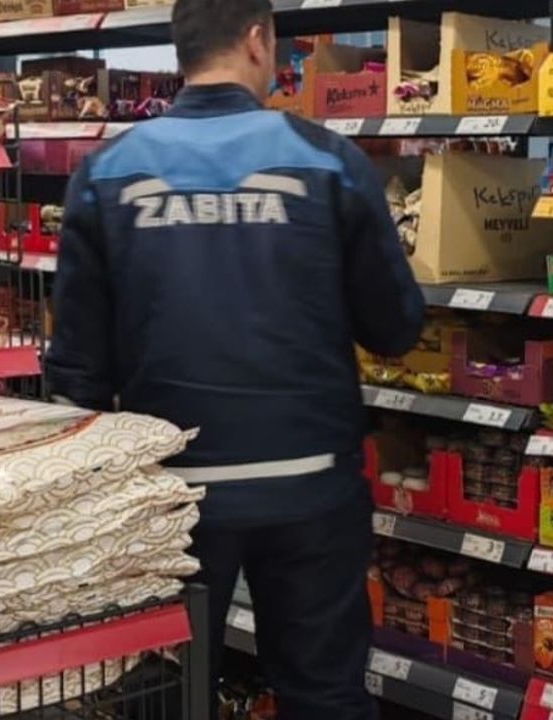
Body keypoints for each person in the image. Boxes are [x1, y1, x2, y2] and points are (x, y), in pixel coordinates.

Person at [44, 0, 426, 717]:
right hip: (311, 485)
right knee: (324, 695)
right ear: (258, 40)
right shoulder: (327, 162)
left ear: (180, 50)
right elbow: (397, 328)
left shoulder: (108, 172)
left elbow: (77, 369)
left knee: (168, 696)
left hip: (171, 496)